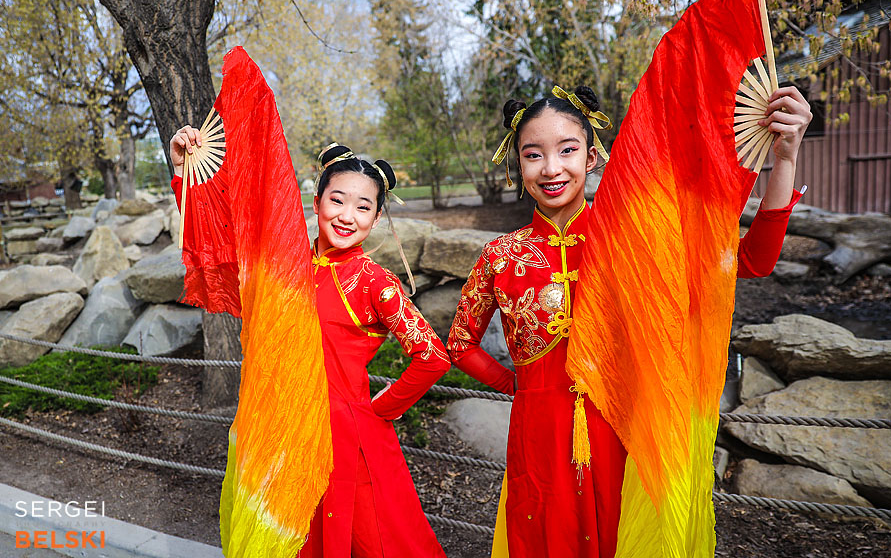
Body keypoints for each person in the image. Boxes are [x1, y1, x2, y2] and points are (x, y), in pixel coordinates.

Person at [446, 85, 812, 557]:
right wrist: (520, 385)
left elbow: (753, 260)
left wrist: (785, 159)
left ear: (593, 155)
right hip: (537, 441)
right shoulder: (500, 255)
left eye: (567, 150)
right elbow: (459, 342)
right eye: (533, 155)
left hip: (625, 430)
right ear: (518, 165)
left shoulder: (633, 237)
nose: (551, 168)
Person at [169, 136, 448, 558]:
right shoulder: (284, 262)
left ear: (376, 218)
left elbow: (432, 357)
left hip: (343, 440)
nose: (347, 216)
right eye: (337, 201)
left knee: (367, 542)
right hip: (279, 427)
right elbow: (220, 243)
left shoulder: (375, 282)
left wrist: (380, 408)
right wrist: (183, 170)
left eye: (363, 207)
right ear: (316, 203)